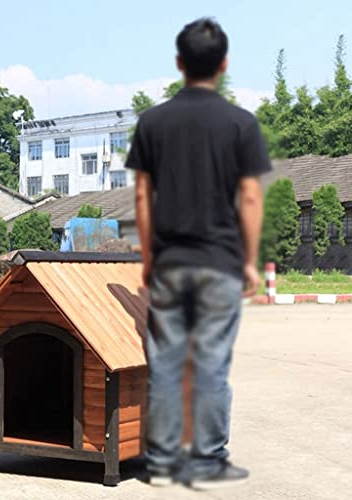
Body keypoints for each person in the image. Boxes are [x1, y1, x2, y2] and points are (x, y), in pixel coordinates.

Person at [125, 18, 271, 491]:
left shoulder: (153, 122)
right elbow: (250, 197)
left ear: (179, 64)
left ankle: (164, 463)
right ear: (223, 65)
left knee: (165, 361)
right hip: (221, 262)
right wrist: (249, 259)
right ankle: (207, 460)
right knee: (210, 361)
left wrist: (148, 255)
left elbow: (143, 196)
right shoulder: (240, 123)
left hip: (169, 261)